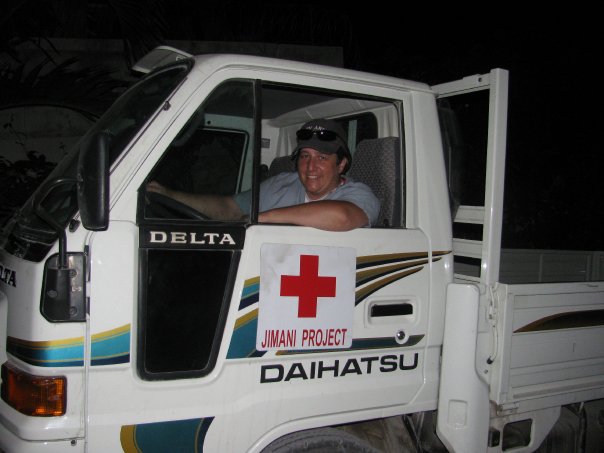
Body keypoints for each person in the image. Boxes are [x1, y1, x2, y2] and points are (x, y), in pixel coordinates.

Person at [146, 119, 380, 231]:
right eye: (305, 156)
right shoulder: (281, 184)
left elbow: (342, 217)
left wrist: (260, 218)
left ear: (341, 165)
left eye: (322, 158)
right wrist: (169, 194)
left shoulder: (358, 193)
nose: (310, 167)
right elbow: (230, 207)